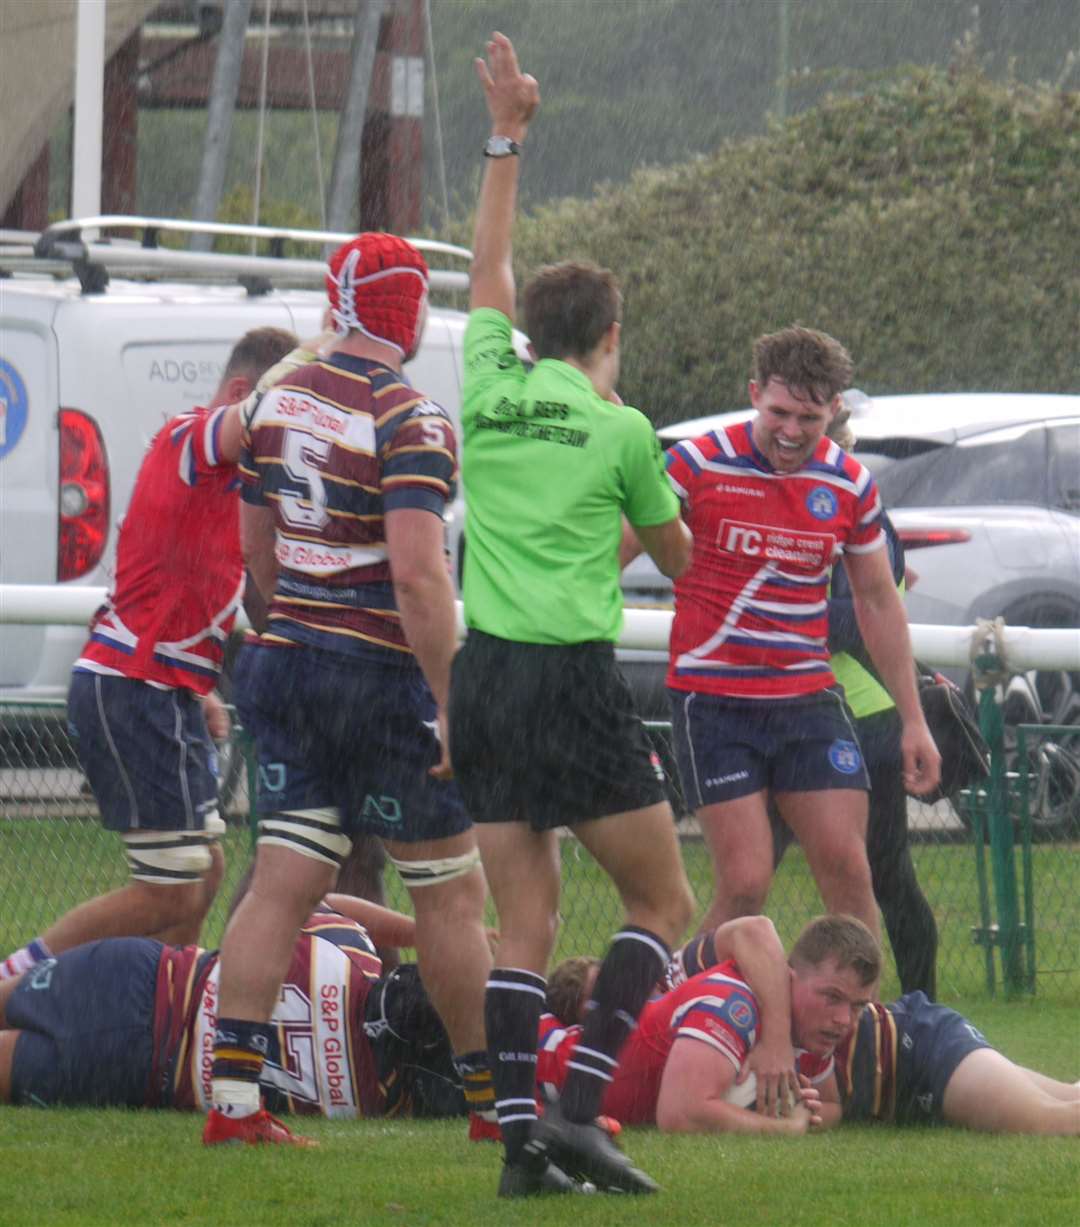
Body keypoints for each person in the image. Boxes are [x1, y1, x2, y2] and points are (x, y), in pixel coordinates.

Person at [447, 32, 695, 1197]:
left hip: (485, 672)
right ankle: (583, 1112)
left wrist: (509, 136)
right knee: (662, 899)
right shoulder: (623, 429)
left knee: (525, 925)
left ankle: (516, 1152)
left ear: (526, 333)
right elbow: (681, 558)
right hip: (570, 673)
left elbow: (486, 264)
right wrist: (641, 520)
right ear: (607, 339)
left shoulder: (489, 383)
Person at [203, 232, 493, 1148]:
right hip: (380, 677)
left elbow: (255, 545)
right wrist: (453, 700)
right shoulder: (414, 418)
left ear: (339, 302)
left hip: (284, 657)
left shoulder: (274, 401)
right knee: (449, 891)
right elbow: (417, 578)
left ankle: (235, 1102)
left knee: (283, 881)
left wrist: (289, 618)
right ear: (410, 313)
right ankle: (495, 1105)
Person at [0, 328, 299, 985]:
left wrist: (203, 688)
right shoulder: (189, 439)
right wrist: (326, 363)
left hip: (166, 688)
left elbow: (185, 584)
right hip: (130, 686)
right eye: (286, 412)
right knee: (172, 884)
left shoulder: (233, 482)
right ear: (245, 396)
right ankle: (15, 976)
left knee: (206, 869)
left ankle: (162, 997)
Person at [660, 327, 941, 939]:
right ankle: (676, 1010)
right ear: (754, 393)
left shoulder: (849, 484)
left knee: (848, 870)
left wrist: (914, 719)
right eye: (779, 412)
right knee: (745, 885)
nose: (790, 431)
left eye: (808, 418)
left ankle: (852, 1028)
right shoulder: (695, 463)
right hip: (713, 700)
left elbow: (877, 601)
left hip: (805, 699)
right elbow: (612, 552)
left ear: (834, 410)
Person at [545, 916, 1080, 1137]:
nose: (844, 1019)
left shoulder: (700, 989)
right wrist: (802, 1112)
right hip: (910, 1070)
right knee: (1064, 1102)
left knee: (1052, 1122)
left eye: (852, 1004)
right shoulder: (762, 1018)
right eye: (833, 1000)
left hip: (920, 1049)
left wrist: (777, 1044)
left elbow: (752, 929)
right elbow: (827, 1101)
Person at [0, 898, 465, 1124]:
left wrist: (420, 932)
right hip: (141, 1067)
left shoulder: (347, 954)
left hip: (146, 973)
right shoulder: (380, 1105)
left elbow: (320, 899)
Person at [771, 397, 939, 997]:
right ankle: (735, 1012)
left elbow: (858, 616)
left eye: (823, 447)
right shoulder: (787, 502)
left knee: (888, 881)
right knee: (749, 879)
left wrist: (777, 612)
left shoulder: (860, 510)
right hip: (786, 712)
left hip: (863, 721)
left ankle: (920, 1011)